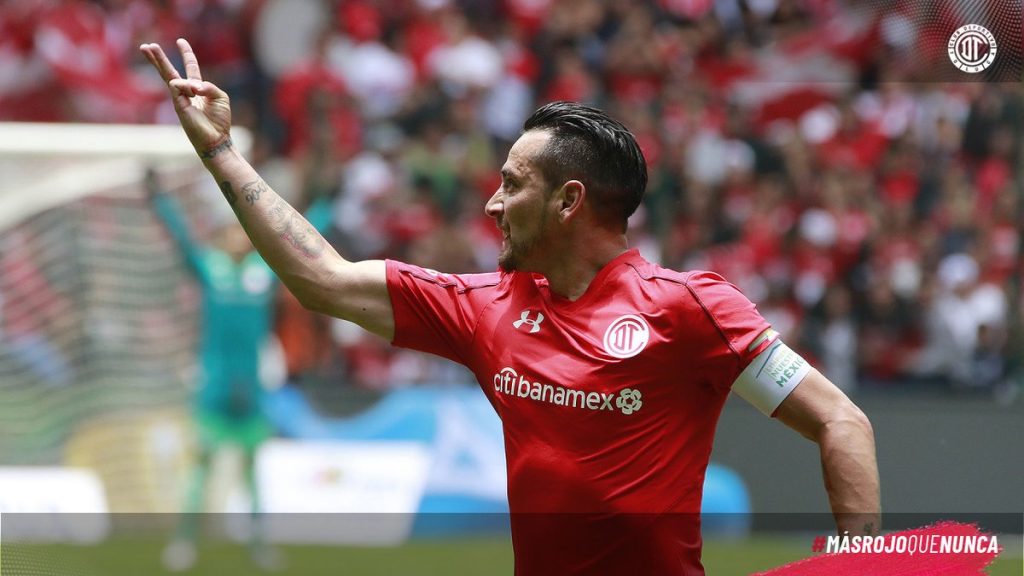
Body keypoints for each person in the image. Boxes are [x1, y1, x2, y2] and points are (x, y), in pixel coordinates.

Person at [140, 39, 880, 575]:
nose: (492, 203)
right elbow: (322, 279)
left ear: (569, 201)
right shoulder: (483, 308)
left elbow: (841, 422)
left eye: (513, 184)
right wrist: (221, 154)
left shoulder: (692, 309)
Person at [147, 171, 333, 572]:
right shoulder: (209, 269)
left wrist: (325, 206)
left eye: (241, 232)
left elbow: (298, 244)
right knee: (200, 468)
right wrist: (160, 199)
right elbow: (181, 240)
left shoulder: (261, 274)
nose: (236, 238)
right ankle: (184, 542)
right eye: (230, 232)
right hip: (214, 388)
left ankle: (258, 544)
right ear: (221, 237)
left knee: (252, 472)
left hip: (250, 389)